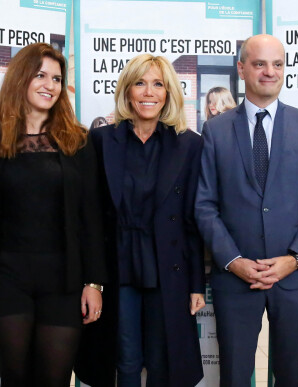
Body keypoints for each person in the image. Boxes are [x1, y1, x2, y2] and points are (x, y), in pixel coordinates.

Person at [0, 42, 107, 386]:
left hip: (65, 282)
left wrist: (94, 282)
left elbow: (92, 218)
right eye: (40, 75)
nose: (50, 85)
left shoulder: (79, 141)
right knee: (15, 378)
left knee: (54, 381)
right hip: (6, 280)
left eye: (56, 78)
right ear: (21, 79)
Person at [195, 34, 298, 387]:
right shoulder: (215, 130)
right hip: (236, 277)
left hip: (294, 277)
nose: (269, 72)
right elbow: (205, 205)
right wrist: (234, 261)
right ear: (242, 69)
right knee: (235, 377)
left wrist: (293, 259)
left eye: (277, 64)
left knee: (291, 376)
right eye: (259, 64)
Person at [75, 54, 205, 387]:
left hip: (168, 268)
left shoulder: (189, 145)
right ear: (128, 91)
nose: (149, 92)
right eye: (140, 83)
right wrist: (91, 281)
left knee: (164, 363)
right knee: (126, 359)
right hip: (117, 269)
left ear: (169, 92)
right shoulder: (102, 141)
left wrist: (196, 284)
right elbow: (89, 216)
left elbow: (192, 220)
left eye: (158, 84)